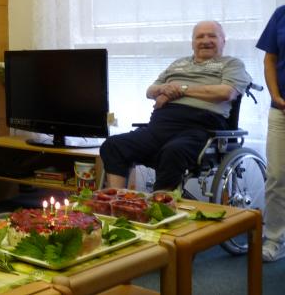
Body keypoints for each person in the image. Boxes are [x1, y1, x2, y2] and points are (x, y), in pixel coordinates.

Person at [100, 20, 251, 191]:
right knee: (113, 146)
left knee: (173, 151)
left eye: (212, 36)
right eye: (200, 37)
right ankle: (116, 199)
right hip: (160, 127)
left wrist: (181, 89)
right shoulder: (178, 64)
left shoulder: (232, 64)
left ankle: (160, 203)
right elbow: (150, 91)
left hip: (200, 128)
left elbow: (226, 93)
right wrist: (163, 89)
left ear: (223, 41)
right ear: (192, 43)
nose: (205, 41)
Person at [256, 7, 285, 262]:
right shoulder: (281, 15)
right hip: (281, 110)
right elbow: (270, 60)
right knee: (276, 177)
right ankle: (275, 239)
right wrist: (275, 96)